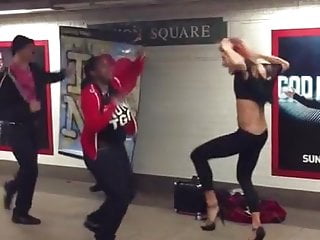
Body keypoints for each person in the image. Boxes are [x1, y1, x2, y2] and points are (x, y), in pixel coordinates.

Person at [190, 38, 289, 240]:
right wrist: (254, 54)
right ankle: (256, 224)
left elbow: (238, 63)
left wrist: (227, 45)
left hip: (245, 136)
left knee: (198, 155)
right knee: (244, 177)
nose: (223, 61)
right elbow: (284, 64)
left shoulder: (242, 72)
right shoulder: (262, 72)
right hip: (260, 135)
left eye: (223, 57)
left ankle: (212, 204)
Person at [0, 35, 73, 225]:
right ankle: (20, 212)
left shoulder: (34, 69)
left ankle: (12, 186)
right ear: (20, 50)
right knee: (31, 170)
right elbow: (3, 109)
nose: (33, 52)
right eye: (31, 49)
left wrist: (65, 73)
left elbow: (48, 77)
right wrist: (26, 109)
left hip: (32, 127)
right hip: (16, 129)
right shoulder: (6, 77)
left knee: (27, 169)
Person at [80, 53, 143, 240]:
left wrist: (138, 63)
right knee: (120, 197)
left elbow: (128, 76)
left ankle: (95, 219)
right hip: (99, 151)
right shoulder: (90, 92)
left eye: (110, 65)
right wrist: (112, 106)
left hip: (116, 147)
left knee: (128, 192)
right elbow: (94, 125)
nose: (110, 69)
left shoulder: (112, 85)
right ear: (93, 72)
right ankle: (104, 235)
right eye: (104, 66)